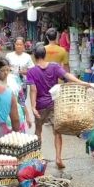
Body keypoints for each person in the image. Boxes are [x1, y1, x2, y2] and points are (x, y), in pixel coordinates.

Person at [27, 42, 87, 170]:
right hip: (54, 103)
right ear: (45, 55)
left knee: (38, 131)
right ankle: (58, 158)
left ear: (34, 56)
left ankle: (37, 157)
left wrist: (33, 107)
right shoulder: (54, 67)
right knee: (57, 132)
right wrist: (81, 82)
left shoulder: (31, 71)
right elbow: (67, 76)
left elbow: (33, 90)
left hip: (40, 105)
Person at [0, 56, 27, 132]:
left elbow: (21, 98)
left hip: (18, 115)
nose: (6, 72)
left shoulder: (14, 79)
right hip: (3, 118)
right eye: (2, 70)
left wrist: (27, 114)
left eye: (7, 69)